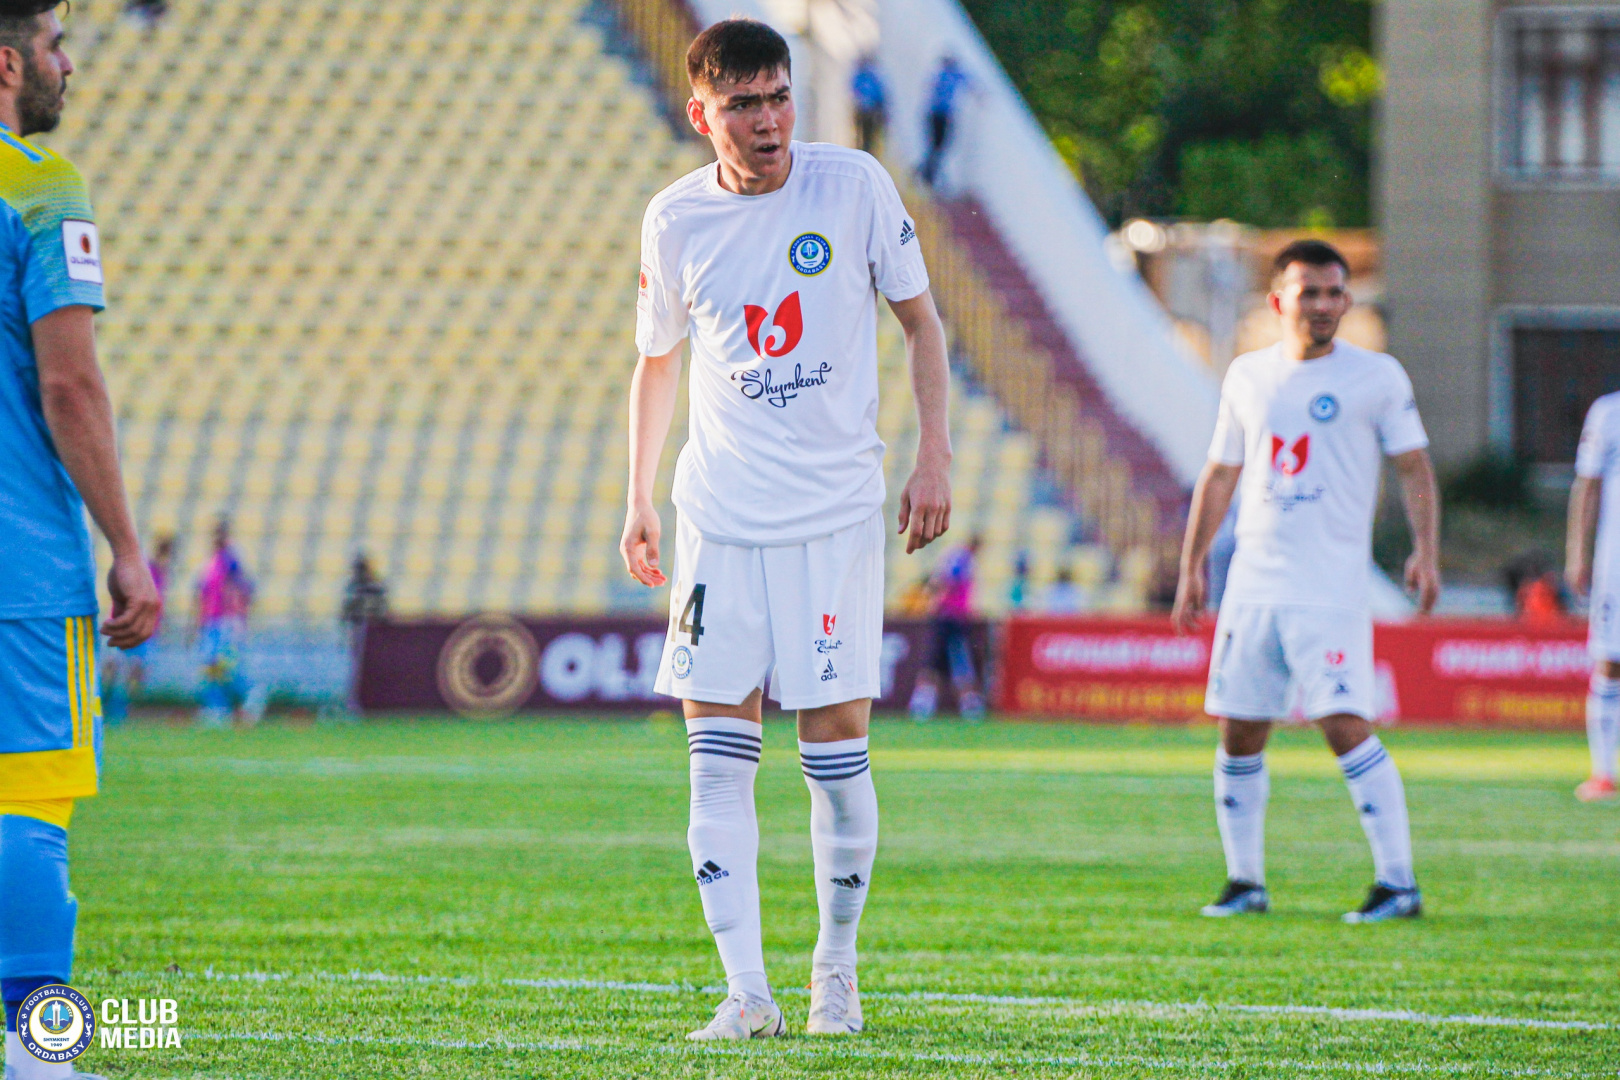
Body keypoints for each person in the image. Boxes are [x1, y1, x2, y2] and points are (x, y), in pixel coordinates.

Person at [621, 18, 951, 1041]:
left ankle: (834, 972)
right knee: (715, 760)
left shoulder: (853, 186)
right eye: (744, 105)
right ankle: (747, 992)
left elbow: (923, 324)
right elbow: (658, 361)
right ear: (702, 113)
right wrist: (639, 496)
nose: (768, 122)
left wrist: (935, 455)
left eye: (779, 98)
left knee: (834, 753)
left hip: (833, 521)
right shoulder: (675, 220)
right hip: (718, 521)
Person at [1172, 239, 1440, 925]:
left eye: (1334, 292)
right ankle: (1245, 881)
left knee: (1343, 723)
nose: (1323, 304)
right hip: (1253, 583)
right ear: (1278, 300)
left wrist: (1425, 551)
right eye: (1309, 292)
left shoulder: (1376, 376)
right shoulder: (1247, 375)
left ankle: (1398, 883)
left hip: (1330, 585)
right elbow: (1221, 472)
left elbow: (1413, 466)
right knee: (1239, 730)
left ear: (1346, 300)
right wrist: (1193, 564)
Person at [0, 4, 161, 1076]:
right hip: (18, 563)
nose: (69, 65)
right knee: (26, 796)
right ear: (9, 62)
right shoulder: (40, 188)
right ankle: (37, 1047)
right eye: (56, 46)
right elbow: (70, 385)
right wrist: (127, 546)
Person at [1566, 396, 1620, 801]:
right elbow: (1587, 485)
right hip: (1615, 564)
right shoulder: (1608, 413)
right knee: (1610, 661)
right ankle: (1603, 772)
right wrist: (1577, 554)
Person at [908, 536, 985, 719]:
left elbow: (939, 581)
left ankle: (923, 703)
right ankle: (968, 705)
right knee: (959, 662)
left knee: (935, 662)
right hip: (952, 619)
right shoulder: (962, 558)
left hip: (946, 617)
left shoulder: (956, 556)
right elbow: (948, 580)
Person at [194, 519, 259, 728]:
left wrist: (239, 619)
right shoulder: (211, 562)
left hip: (226, 621)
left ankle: (249, 697)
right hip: (211, 621)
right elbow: (203, 595)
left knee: (226, 666)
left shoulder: (231, 560)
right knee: (212, 666)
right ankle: (217, 708)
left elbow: (242, 590)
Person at [102, 534, 170, 723]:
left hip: (147, 628)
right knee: (118, 669)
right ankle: (110, 706)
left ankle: (119, 707)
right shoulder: (147, 570)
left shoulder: (161, 573)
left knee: (135, 671)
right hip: (131, 623)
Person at [918, 55, 970, 188]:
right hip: (939, 114)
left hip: (940, 114)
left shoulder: (944, 74)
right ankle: (927, 174)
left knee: (937, 147)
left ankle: (925, 173)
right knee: (937, 147)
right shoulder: (946, 75)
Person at [340, 552, 389, 628]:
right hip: (356, 625)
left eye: (362, 569)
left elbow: (382, 608)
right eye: (358, 570)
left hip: (375, 626)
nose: (360, 573)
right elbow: (346, 611)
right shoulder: (351, 587)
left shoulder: (376, 587)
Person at [850, 57, 885, 155]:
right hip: (863, 111)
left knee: (869, 136)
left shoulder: (871, 76)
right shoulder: (864, 76)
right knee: (862, 135)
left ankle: (867, 153)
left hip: (870, 111)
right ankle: (862, 153)